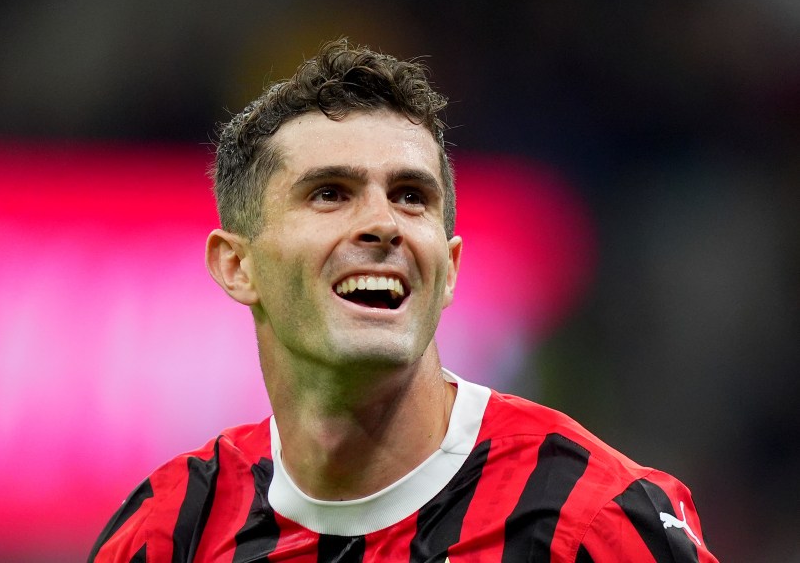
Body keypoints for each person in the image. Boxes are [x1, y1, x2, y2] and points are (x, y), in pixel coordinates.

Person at [88, 39, 718, 562]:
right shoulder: (168, 535)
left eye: (412, 196)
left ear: (448, 269)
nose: (383, 224)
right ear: (237, 265)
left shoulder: (590, 521)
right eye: (330, 193)